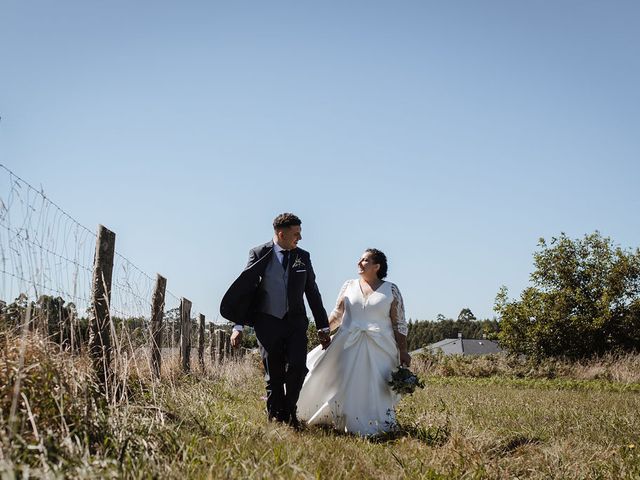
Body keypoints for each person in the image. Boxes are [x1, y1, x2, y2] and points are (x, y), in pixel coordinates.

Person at [220, 213, 331, 428]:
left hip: (296, 322)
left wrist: (323, 326)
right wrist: (238, 326)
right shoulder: (259, 253)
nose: (299, 238)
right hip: (267, 321)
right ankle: (276, 418)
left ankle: (289, 410)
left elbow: (312, 292)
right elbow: (246, 290)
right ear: (281, 233)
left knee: (298, 367)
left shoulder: (303, 257)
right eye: (296, 234)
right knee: (274, 373)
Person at [296, 248, 410, 436]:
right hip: (347, 342)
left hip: (380, 346)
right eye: (360, 259)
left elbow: (399, 323)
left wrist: (403, 351)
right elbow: (337, 314)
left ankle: (378, 425)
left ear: (376, 266)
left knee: (376, 386)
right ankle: (339, 420)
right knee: (340, 382)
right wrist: (324, 330)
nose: (359, 263)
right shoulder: (349, 285)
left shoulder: (391, 289)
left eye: (365, 260)